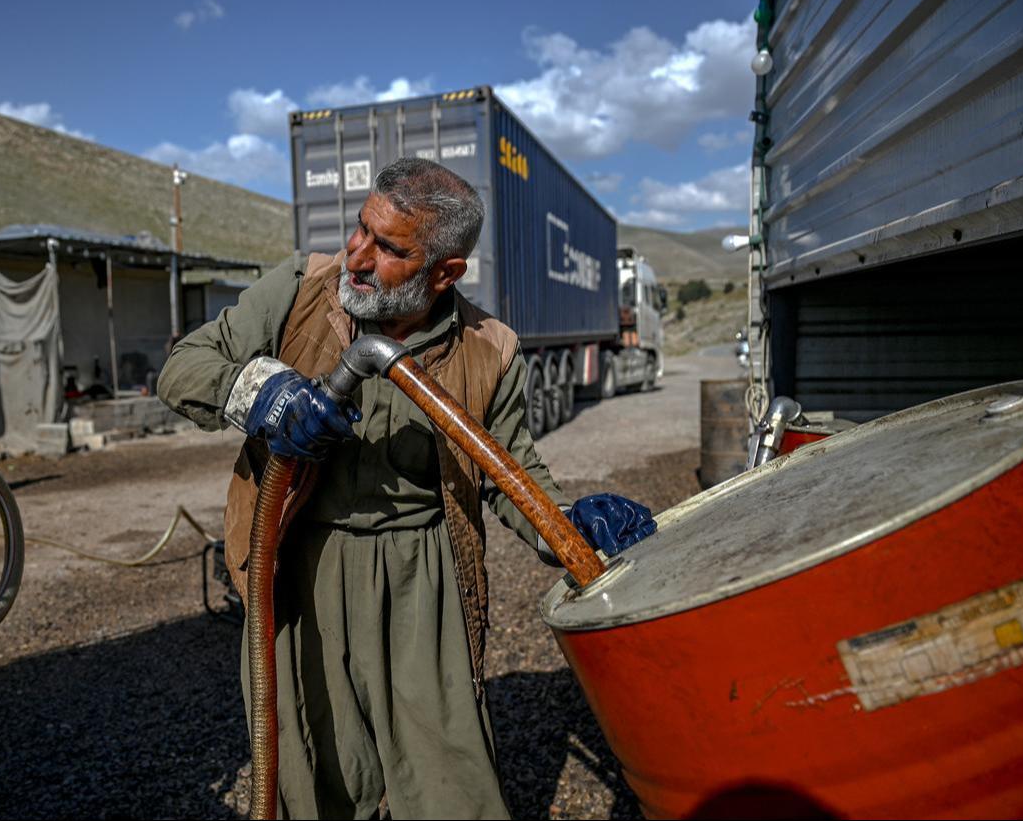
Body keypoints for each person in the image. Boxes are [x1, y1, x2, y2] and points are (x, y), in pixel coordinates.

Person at [158, 158, 655, 820]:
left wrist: (569, 521)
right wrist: (265, 392)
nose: (355, 258)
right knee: (311, 769)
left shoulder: (489, 348)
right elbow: (184, 368)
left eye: (389, 248)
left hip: (424, 577)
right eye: (360, 229)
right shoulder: (298, 290)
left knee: (447, 776)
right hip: (300, 561)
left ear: (444, 272)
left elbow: (511, 475)